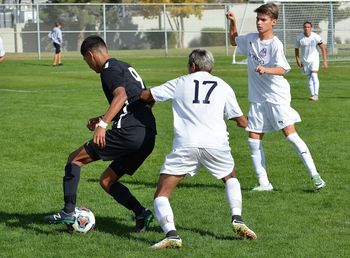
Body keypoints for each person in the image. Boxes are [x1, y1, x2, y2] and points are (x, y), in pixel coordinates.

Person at [140, 49, 257, 249]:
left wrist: (138, 92)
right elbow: (239, 119)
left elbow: (147, 95)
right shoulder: (223, 85)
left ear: (193, 65)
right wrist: (253, 125)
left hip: (187, 143)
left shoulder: (180, 82)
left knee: (162, 193)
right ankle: (237, 217)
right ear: (209, 66)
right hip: (217, 144)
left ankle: (172, 234)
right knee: (230, 176)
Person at [44, 35, 157, 232]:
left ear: (90, 54)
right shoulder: (125, 66)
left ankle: (68, 211)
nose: (89, 65)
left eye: (86, 61)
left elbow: (121, 96)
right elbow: (144, 100)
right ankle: (141, 212)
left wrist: (103, 125)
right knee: (107, 181)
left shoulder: (108, 69)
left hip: (128, 133)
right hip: (147, 136)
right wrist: (102, 117)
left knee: (74, 160)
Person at [226, 3, 325, 191]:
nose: (259, 23)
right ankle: (264, 182)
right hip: (257, 98)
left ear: (273, 22)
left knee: (290, 134)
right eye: (257, 19)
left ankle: (315, 175)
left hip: (276, 97)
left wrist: (266, 69)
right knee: (253, 136)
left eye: (263, 20)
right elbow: (234, 41)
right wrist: (233, 22)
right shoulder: (251, 39)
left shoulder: (275, 44)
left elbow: (283, 69)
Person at [295, 21, 328, 101]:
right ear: (303, 28)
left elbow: (323, 48)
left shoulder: (316, 37)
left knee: (314, 75)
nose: (306, 28)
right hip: (305, 60)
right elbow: (296, 49)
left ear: (311, 28)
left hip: (314, 59)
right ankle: (312, 95)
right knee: (309, 77)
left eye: (308, 27)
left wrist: (324, 61)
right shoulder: (299, 38)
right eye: (305, 27)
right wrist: (298, 59)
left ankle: (316, 95)